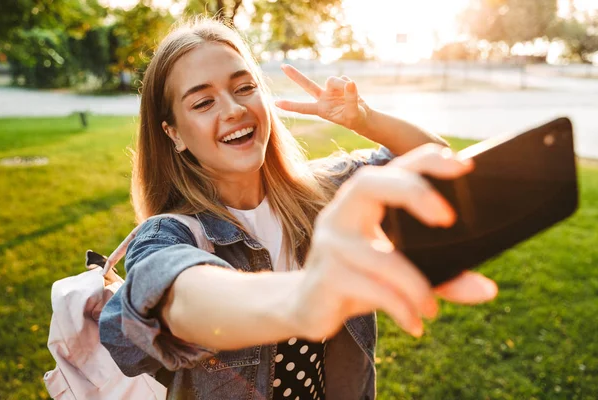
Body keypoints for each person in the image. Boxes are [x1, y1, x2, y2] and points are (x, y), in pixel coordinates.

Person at [99, 18, 498, 400]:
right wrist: (306, 298)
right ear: (173, 134)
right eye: (203, 102)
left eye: (244, 87)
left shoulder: (323, 192)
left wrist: (365, 118)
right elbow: (176, 295)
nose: (234, 109)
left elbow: (439, 164)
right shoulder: (168, 233)